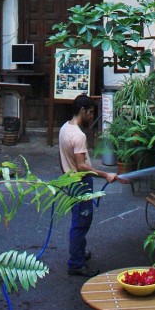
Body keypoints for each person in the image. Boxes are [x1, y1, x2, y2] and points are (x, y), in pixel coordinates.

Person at [59, 94, 117, 277]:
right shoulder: (78, 135)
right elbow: (82, 166)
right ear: (82, 111)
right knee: (80, 224)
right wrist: (105, 174)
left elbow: (63, 158)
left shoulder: (64, 128)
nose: (92, 117)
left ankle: (79, 253)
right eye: (90, 113)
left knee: (79, 220)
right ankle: (76, 263)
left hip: (70, 181)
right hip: (80, 183)